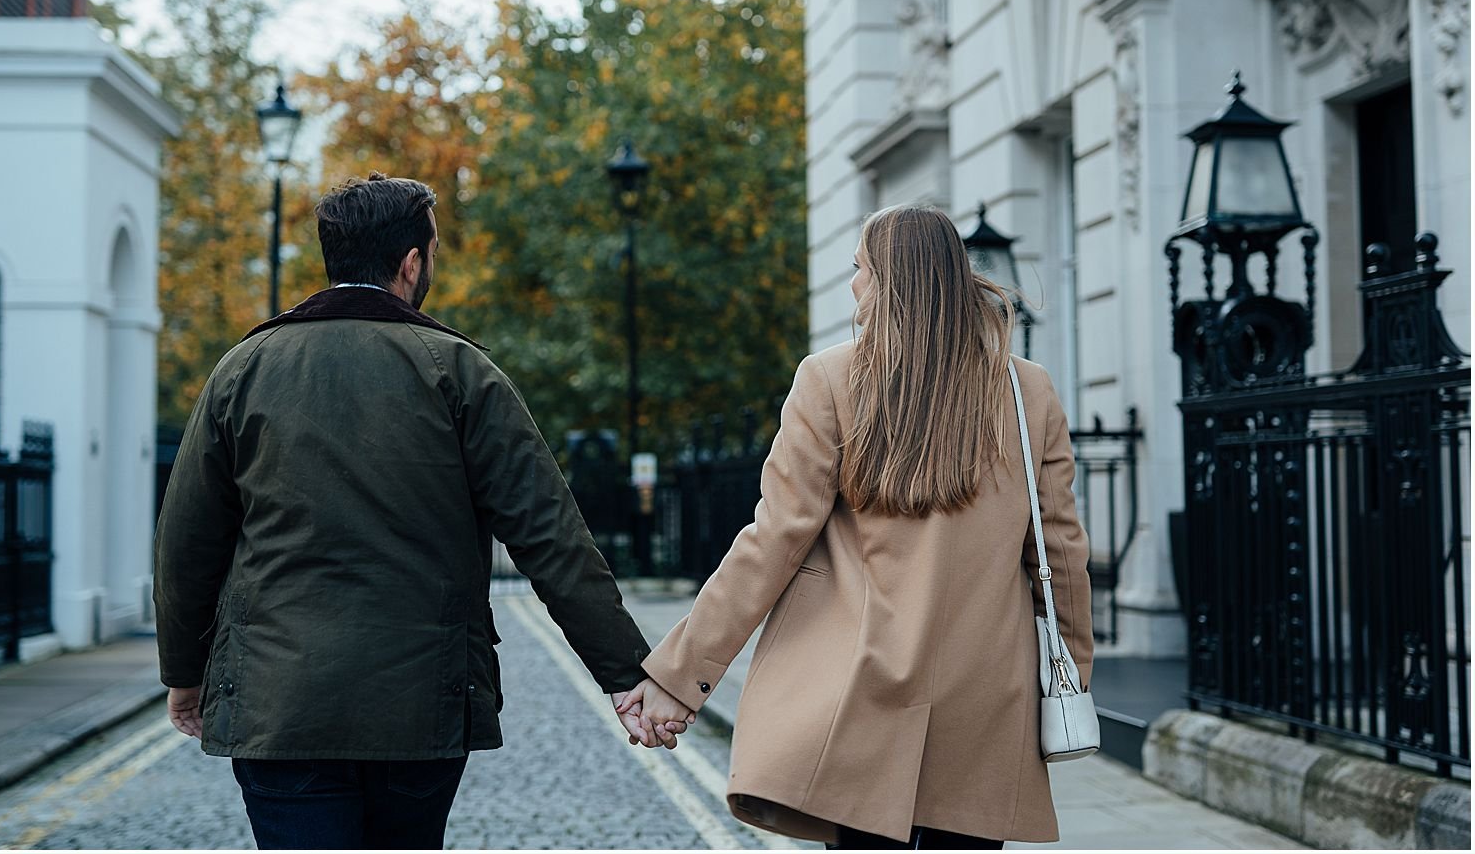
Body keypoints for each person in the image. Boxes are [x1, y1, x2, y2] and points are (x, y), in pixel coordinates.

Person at [154, 172, 684, 851]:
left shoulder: (243, 369)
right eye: (431, 251)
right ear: (411, 263)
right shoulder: (461, 373)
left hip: (278, 701)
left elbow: (186, 540)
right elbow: (551, 538)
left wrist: (183, 673)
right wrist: (625, 674)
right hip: (420, 706)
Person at [620, 204, 1094, 849]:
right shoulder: (1027, 391)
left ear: (892, 281)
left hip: (864, 686)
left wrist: (683, 676)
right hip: (986, 697)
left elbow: (773, 540)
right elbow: (1060, 551)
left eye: (860, 269)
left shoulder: (831, 379)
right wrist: (1075, 672)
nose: (853, 285)